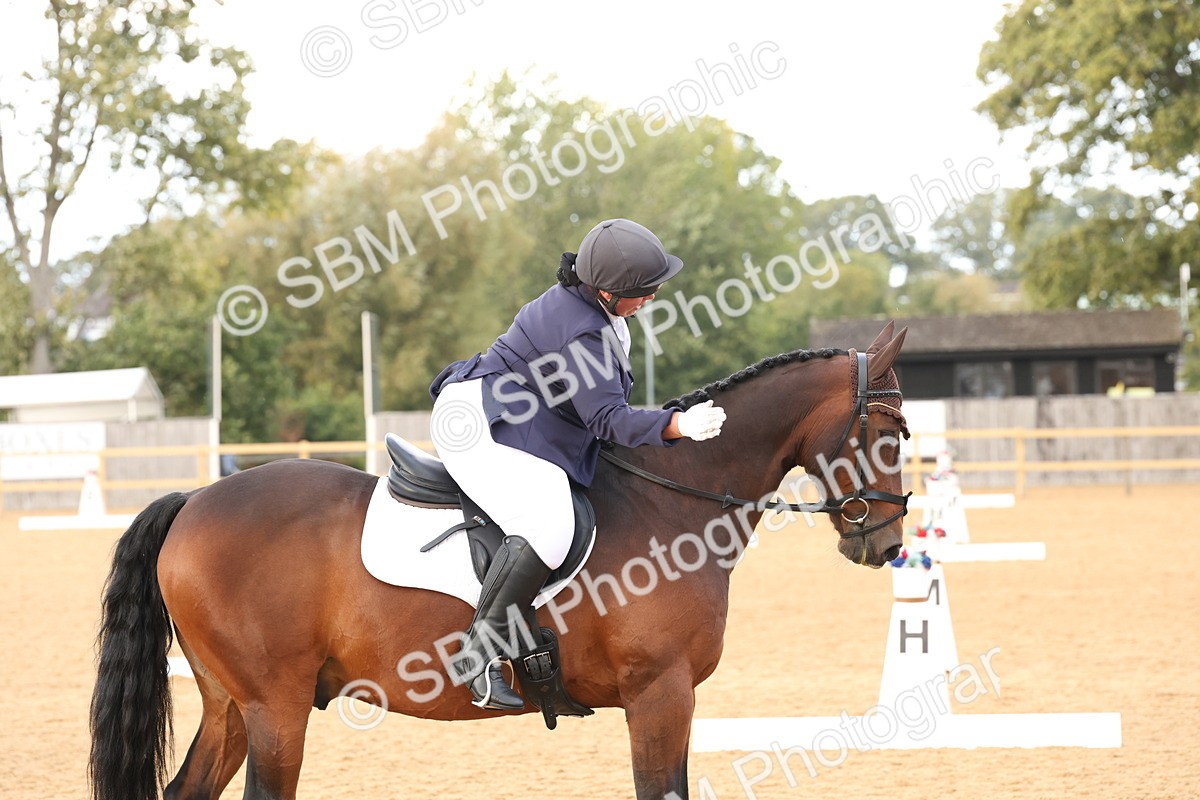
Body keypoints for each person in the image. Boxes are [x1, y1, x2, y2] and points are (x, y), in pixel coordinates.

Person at [428, 218, 727, 710]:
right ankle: (478, 655)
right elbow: (608, 419)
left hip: (519, 413)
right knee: (547, 524)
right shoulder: (582, 333)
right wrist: (676, 426)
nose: (651, 298)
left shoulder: (598, 311)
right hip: (477, 422)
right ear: (606, 291)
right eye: (643, 291)